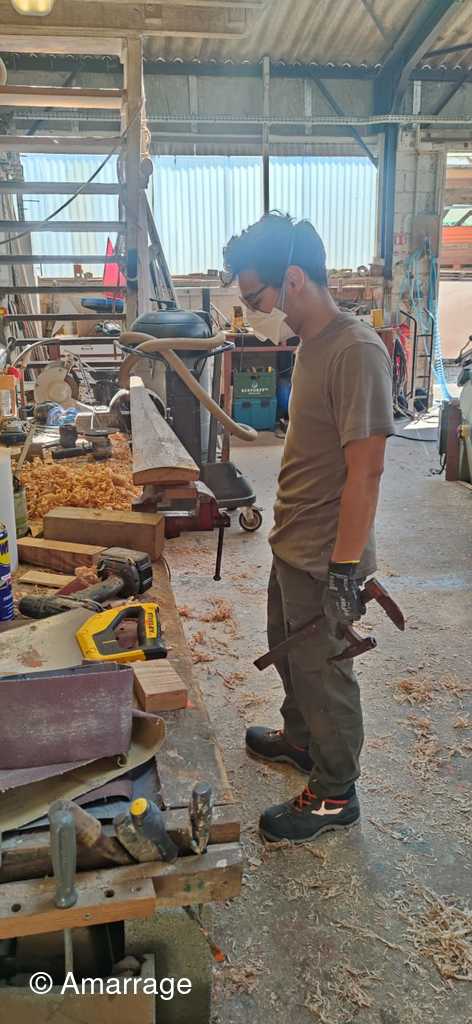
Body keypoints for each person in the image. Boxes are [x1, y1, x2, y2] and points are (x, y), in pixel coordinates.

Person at [223, 213, 394, 843]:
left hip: (327, 556)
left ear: (293, 279)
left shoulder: (355, 351)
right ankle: (301, 740)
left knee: (324, 674)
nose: (253, 312)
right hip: (295, 541)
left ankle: (335, 791)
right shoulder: (311, 343)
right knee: (291, 652)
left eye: (256, 298)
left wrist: (345, 572)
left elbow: (367, 471)